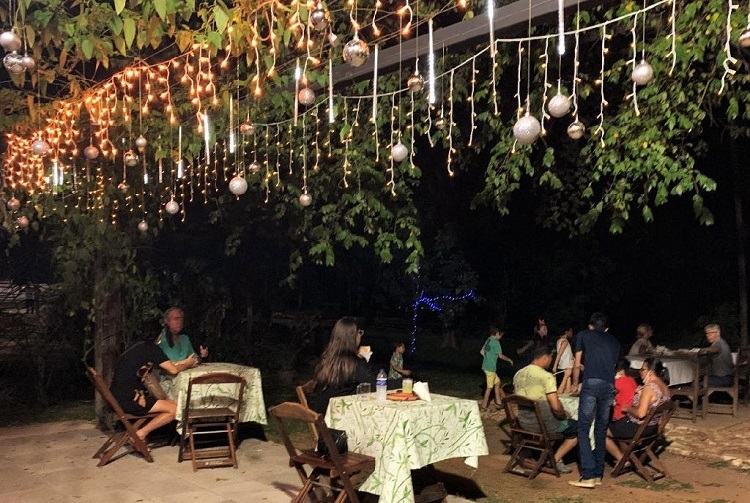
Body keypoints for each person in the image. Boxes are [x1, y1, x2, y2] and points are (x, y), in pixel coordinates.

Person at [569, 312, 620, 489]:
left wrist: (575, 384)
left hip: (591, 383)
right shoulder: (615, 341)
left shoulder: (583, 335)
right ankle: (598, 474)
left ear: (591, 326)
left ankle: (588, 475)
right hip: (608, 385)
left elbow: (577, 363)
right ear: (606, 328)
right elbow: (612, 365)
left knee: (583, 427)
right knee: (601, 429)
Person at [513, 344, 579, 474]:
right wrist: (564, 414)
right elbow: (556, 407)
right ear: (545, 357)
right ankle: (555, 460)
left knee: (560, 421)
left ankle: (547, 455)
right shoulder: (546, 377)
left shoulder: (518, 374)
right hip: (543, 425)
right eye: (550, 358)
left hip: (523, 422)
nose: (550, 361)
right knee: (577, 427)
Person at [109, 334, 187, 442]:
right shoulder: (151, 348)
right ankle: (141, 434)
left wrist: (183, 362)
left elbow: (167, 363)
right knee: (175, 410)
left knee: (171, 403)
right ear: (158, 337)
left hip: (116, 397)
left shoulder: (135, 347)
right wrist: (189, 363)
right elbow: (173, 370)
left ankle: (162, 434)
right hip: (130, 399)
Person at [605, 357, 670, 467]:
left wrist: (627, 408)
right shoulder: (665, 387)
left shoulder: (649, 388)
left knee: (600, 429)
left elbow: (641, 413)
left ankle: (621, 460)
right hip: (653, 427)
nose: (640, 372)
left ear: (651, 372)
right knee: (618, 423)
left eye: (642, 369)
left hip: (638, 428)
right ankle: (626, 457)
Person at [313, 316, 376, 415]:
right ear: (353, 336)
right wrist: (363, 360)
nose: (360, 336)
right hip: (340, 418)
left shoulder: (326, 358)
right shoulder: (353, 363)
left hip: (323, 415)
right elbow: (376, 384)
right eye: (359, 332)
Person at [480, 326, 514, 410]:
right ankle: (484, 405)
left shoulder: (488, 340)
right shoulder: (496, 342)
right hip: (490, 368)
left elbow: (481, 352)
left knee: (498, 382)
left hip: (485, 366)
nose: (501, 337)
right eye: (501, 336)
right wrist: (509, 360)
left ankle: (498, 402)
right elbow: (500, 356)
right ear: (497, 334)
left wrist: (487, 359)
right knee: (489, 388)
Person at [552, 327, 575, 394]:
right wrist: (555, 366)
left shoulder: (559, 341)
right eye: (570, 331)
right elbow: (559, 354)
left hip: (566, 367)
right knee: (565, 389)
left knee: (567, 389)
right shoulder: (564, 342)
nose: (571, 333)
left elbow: (569, 355)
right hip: (567, 367)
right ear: (566, 332)